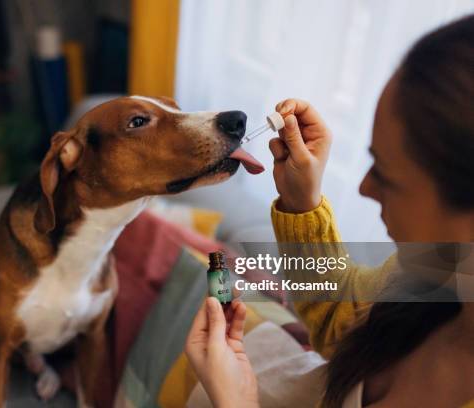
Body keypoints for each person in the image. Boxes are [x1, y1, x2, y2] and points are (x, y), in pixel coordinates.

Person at [185, 15, 474, 408]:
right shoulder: (439, 268)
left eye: (386, 175)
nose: (364, 188)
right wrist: (301, 204)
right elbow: (345, 325)